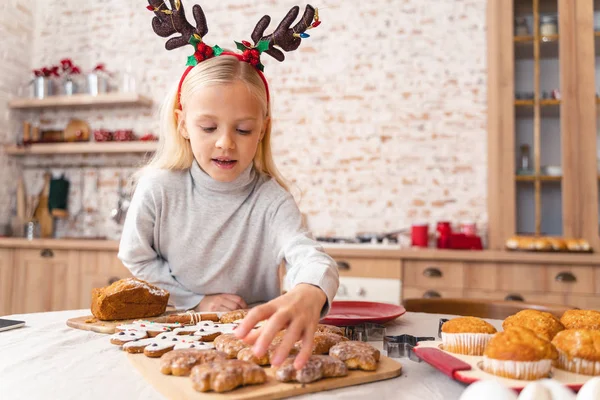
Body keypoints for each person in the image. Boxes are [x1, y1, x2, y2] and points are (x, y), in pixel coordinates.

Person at [118, 1, 337, 370]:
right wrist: (196, 300)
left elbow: (308, 255)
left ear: (263, 130)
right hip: (177, 335)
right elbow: (135, 256)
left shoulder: (270, 199)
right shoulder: (158, 187)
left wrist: (309, 290)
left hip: (252, 345)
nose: (225, 143)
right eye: (208, 128)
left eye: (243, 129)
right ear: (183, 124)